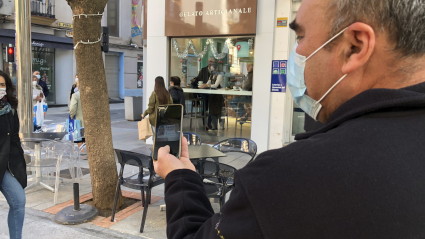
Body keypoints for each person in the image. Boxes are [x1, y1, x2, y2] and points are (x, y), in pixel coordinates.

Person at [153, 0, 425, 238]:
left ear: (354, 46)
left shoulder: (285, 178)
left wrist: (178, 176)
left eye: (301, 37)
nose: (296, 54)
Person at [0, 71, 27, 239]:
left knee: (18, 201)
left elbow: (15, 137)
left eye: (2, 85)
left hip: (7, 163)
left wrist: (20, 160)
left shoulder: (10, 109)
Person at [191, 58, 216, 127]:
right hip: (204, 91)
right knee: (204, 108)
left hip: (212, 92)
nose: (210, 62)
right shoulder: (203, 69)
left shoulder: (215, 70)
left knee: (211, 108)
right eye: (209, 61)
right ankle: (204, 123)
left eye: (211, 61)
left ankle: (209, 123)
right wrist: (195, 81)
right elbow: (198, 78)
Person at [199, 63, 224, 130]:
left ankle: (221, 126)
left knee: (218, 112)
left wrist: (206, 85)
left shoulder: (219, 76)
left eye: (212, 69)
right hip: (212, 96)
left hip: (218, 96)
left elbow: (215, 85)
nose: (211, 70)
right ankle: (214, 127)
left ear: (215, 69)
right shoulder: (211, 76)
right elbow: (208, 83)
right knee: (212, 111)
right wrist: (203, 85)